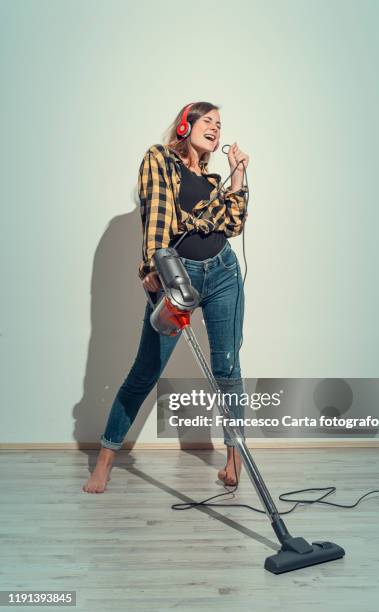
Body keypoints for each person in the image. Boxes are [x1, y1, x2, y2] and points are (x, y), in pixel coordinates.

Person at [83, 101, 249, 494]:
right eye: (208, 120)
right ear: (184, 126)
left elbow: (235, 222)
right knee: (145, 371)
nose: (216, 128)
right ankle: (105, 460)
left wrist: (238, 172)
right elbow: (157, 214)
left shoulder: (212, 183)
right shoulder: (159, 160)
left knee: (228, 370)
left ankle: (233, 461)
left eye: (220, 125)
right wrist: (152, 268)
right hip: (180, 277)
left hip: (224, 272)